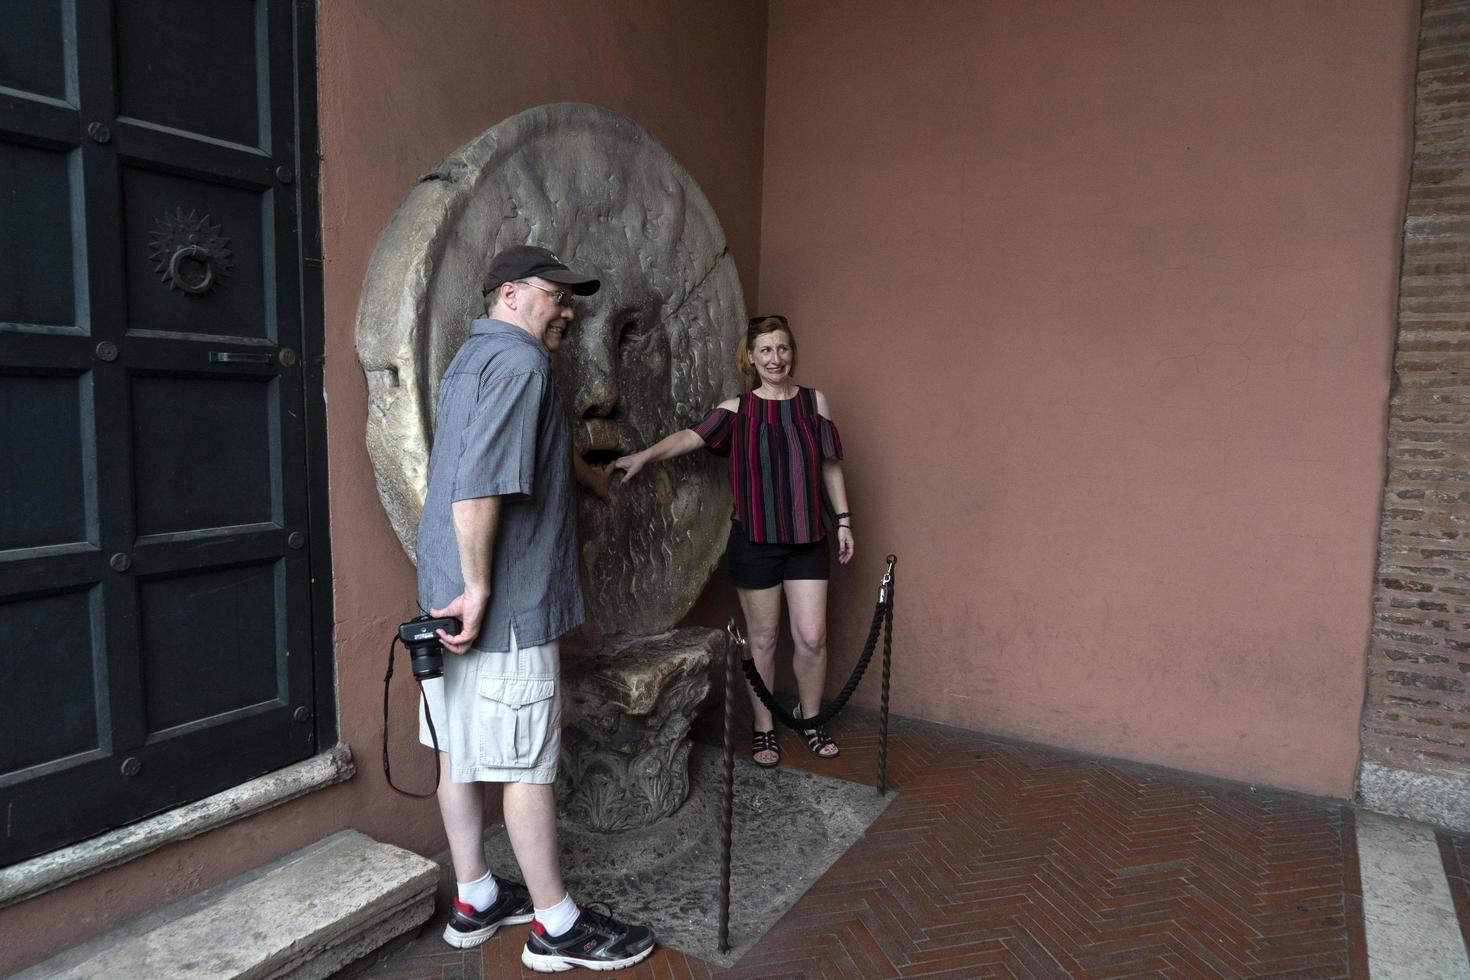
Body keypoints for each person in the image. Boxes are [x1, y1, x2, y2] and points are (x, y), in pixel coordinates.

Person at [416, 244, 654, 971]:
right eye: (558, 296)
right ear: (513, 294)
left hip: (441, 601)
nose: (570, 310)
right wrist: (484, 588)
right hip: (502, 605)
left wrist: (582, 475)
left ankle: (475, 897)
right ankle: (557, 928)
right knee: (525, 766)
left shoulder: (471, 359)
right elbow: (479, 486)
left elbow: (492, 457)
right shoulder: (522, 365)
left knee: (459, 754)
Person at [614, 315, 854, 768]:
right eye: (765, 350)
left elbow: (830, 464)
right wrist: (645, 457)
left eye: (782, 349)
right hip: (756, 540)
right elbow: (691, 437)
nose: (775, 358)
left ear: (792, 353)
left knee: (812, 637)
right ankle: (764, 728)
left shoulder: (813, 403)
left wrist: (843, 519)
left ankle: (810, 717)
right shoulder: (739, 409)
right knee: (763, 641)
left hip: (808, 538)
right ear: (750, 357)